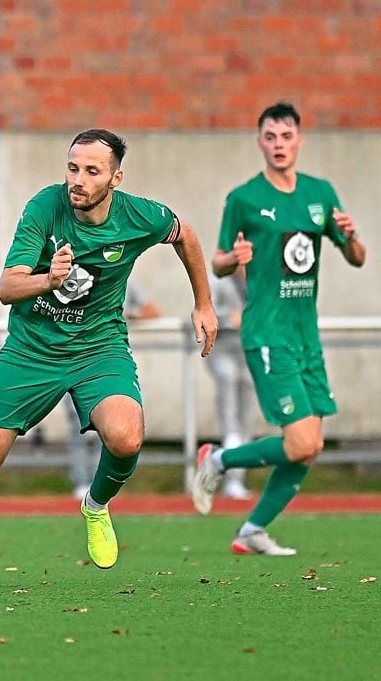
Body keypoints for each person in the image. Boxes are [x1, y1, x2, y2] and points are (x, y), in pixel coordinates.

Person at [0, 129, 218, 590]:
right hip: (32, 350)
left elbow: (184, 234)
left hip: (98, 348)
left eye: (92, 171)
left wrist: (202, 303)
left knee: (126, 438)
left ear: (116, 178)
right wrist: (49, 279)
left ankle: (95, 504)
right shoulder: (44, 207)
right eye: (73, 168)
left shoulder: (139, 216)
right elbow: (7, 288)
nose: (78, 180)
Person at [192, 102, 365, 556]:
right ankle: (221, 460)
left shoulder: (320, 193)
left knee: (310, 446)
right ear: (260, 142)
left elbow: (357, 256)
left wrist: (351, 235)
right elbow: (218, 260)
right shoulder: (245, 198)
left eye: (286, 136)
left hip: (306, 335)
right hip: (267, 333)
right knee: (301, 440)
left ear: (299, 141)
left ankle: (251, 529)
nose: (279, 145)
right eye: (270, 137)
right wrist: (236, 260)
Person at [64, 282, 160, 499]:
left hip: (110, 363)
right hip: (74, 360)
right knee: (77, 424)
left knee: (112, 428)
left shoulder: (123, 276)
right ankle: (80, 481)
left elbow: (152, 311)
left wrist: (124, 317)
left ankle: (100, 486)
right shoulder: (77, 276)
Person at [205, 274, 255, 500]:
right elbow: (203, 312)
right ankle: (225, 473)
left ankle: (235, 480)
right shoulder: (218, 282)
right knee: (231, 419)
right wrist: (227, 318)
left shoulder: (259, 279)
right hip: (223, 348)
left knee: (246, 420)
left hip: (249, 352)